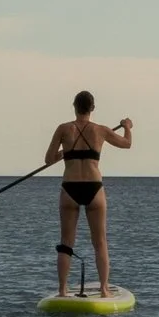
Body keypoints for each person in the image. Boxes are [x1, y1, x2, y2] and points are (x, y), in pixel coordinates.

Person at [45, 91, 132, 297]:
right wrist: (127, 126)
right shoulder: (100, 131)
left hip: (70, 188)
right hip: (94, 188)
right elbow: (127, 143)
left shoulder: (63, 129)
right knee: (100, 241)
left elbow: (49, 159)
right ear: (92, 108)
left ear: (74, 106)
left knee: (66, 241)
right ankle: (103, 289)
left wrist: (67, 152)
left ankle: (62, 290)